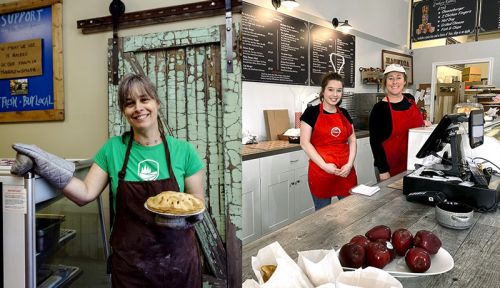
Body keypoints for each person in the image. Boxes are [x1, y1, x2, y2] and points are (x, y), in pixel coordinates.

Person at [11, 74, 205, 288]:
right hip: (130, 267)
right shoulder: (113, 149)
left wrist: (182, 218)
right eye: (130, 103)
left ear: (157, 103)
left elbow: (196, 200)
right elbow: (85, 193)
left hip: (178, 263)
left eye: (144, 99)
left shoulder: (184, 152)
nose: (138, 108)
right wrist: (43, 162)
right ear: (124, 111)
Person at [300, 72, 357, 210]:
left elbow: (353, 140)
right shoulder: (311, 113)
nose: (335, 94)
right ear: (323, 91)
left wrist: (349, 164)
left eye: (339, 90)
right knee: (323, 216)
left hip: (345, 172)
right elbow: (304, 143)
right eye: (330, 89)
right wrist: (325, 166)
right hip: (321, 172)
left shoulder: (344, 113)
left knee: (350, 212)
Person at [369, 64, 427, 182]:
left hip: (412, 162)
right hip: (390, 166)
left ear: (404, 81)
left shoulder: (410, 99)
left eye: (398, 77)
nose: (395, 81)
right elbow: (375, 142)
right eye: (390, 78)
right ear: (385, 82)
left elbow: (413, 124)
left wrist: (423, 123)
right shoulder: (379, 108)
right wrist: (383, 170)